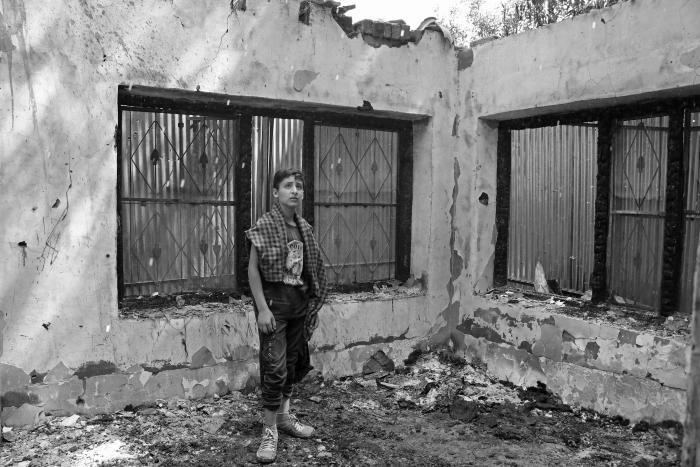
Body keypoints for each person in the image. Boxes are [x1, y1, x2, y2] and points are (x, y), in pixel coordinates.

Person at [245, 168, 328, 464]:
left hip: (298, 308)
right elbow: (252, 270)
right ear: (275, 192)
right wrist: (263, 309)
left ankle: (283, 418)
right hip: (274, 307)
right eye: (288, 186)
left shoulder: (304, 228)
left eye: (299, 186)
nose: (294, 190)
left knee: (291, 366)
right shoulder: (265, 225)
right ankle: (269, 431)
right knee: (274, 368)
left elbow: (311, 270)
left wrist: (310, 307)